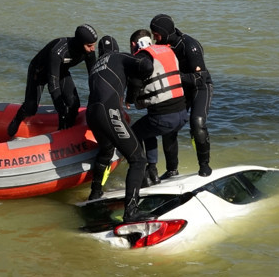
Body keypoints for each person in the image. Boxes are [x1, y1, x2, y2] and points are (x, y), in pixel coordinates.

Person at [86, 35, 154, 220]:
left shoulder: (95, 66)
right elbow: (145, 66)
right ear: (116, 48)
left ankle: (95, 192)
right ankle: (131, 211)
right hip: (108, 111)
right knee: (138, 159)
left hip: (91, 114)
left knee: (106, 150)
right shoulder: (119, 57)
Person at [7, 24, 98, 137]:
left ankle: (63, 132)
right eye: (89, 45)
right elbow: (53, 85)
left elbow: (94, 76)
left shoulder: (89, 52)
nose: (92, 49)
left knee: (73, 104)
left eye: (94, 45)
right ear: (80, 43)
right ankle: (17, 118)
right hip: (38, 72)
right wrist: (60, 108)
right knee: (31, 109)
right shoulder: (58, 52)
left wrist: (97, 98)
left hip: (61, 72)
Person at [150, 14, 213, 177]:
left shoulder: (190, 46)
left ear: (164, 32)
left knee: (197, 123)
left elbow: (200, 78)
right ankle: (172, 170)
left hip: (201, 87)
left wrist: (174, 76)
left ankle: (204, 165)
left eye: (156, 35)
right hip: (181, 88)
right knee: (168, 124)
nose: (154, 39)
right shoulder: (161, 46)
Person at [127, 29, 188, 187]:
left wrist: (129, 100)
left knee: (134, 133)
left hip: (164, 118)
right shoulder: (167, 50)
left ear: (134, 45)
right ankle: (170, 171)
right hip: (182, 115)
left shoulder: (142, 57)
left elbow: (134, 83)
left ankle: (143, 175)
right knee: (148, 130)